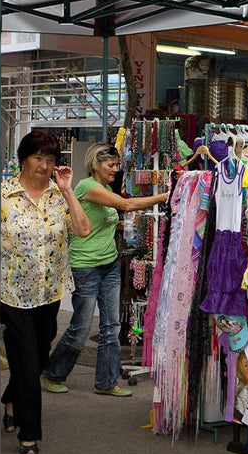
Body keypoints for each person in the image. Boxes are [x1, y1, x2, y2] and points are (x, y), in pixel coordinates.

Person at [0, 130, 91, 454]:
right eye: (38, 157)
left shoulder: (58, 196)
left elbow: (82, 230)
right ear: (23, 158)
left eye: (50, 159)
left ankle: (11, 399)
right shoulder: (2, 195)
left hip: (49, 291)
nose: (43, 165)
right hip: (10, 294)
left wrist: (68, 191)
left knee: (37, 356)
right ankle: (29, 432)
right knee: (25, 358)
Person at [41, 142, 168, 397]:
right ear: (95, 165)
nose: (115, 169)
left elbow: (108, 222)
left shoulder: (106, 188)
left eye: (116, 165)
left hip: (109, 264)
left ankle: (106, 382)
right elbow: (126, 205)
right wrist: (166, 196)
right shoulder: (87, 187)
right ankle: (53, 372)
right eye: (110, 165)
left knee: (112, 326)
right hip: (86, 266)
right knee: (81, 326)